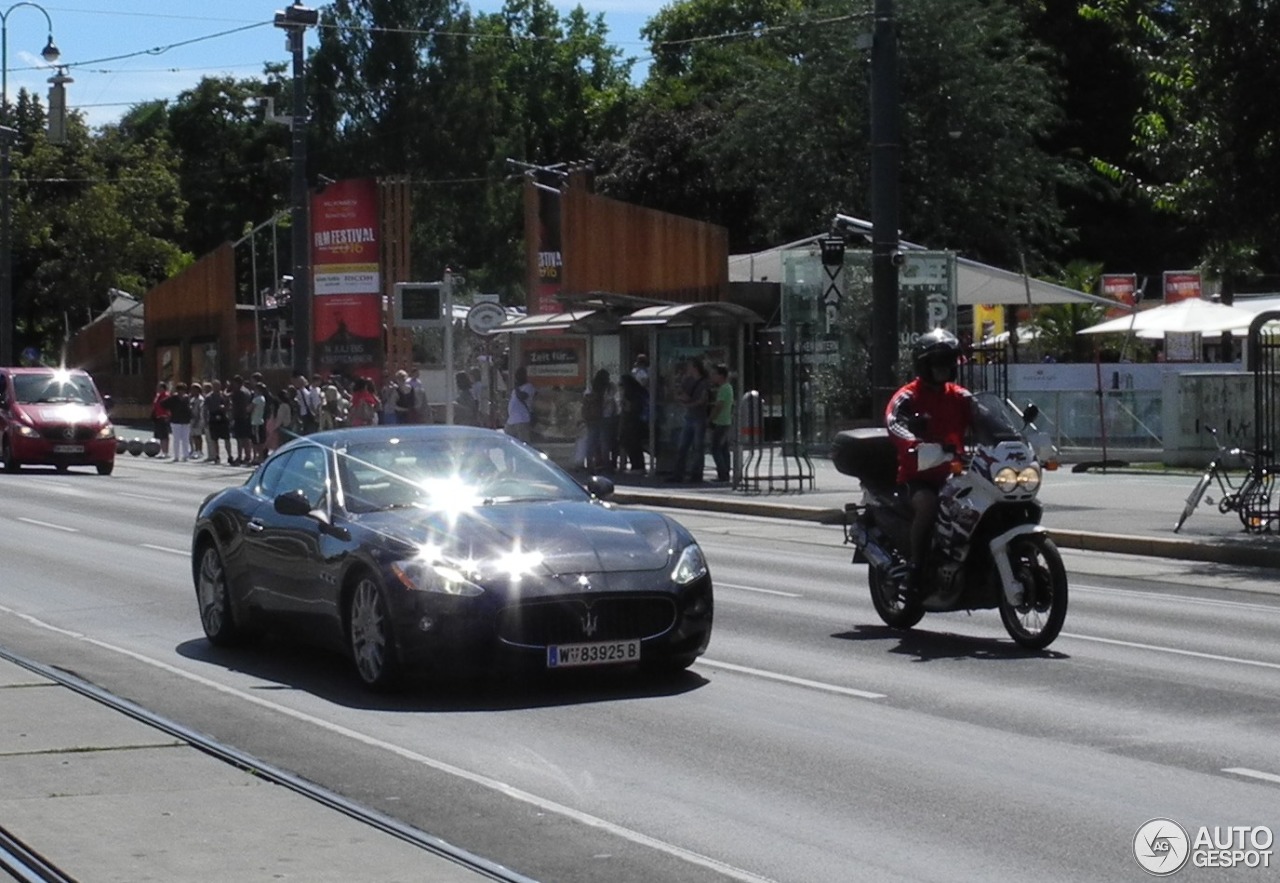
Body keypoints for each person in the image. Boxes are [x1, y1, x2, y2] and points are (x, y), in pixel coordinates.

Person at [885, 328, 974, 600]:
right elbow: (893, 421)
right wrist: (914, 443)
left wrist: (1013, 436)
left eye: (948, 362)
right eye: (938, 362)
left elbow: (987, 418)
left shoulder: (960, 396)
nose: (944, 368)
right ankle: (916, 568)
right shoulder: (908, 395)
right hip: (919, 475)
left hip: (955, 473)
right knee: (928, 505)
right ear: (924, 364)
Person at [669, 358, 710, 482]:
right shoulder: (688, 381)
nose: (687, 369)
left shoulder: (704, 382)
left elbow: (703, 399)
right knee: (682, 446)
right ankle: (678, 474)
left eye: (689, 366)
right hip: (689, 417)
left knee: (698, 447)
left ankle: (696, 474)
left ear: (695, 367)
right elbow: (681, 395)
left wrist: (688, 404)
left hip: (699, 417)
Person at [708, 363, 734, 482]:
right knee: (724, 449)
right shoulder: (728, 387)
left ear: (721, 376)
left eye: (715, 374)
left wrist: (710, 418)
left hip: (720, 422)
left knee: (716, 449)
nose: (712, 377)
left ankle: (722, 473)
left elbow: (719, 406)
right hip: (726, 421)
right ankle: (726, 472)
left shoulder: (724, 388)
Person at [617, 373, 648, 472]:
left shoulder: (632, 394)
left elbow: (631, 408)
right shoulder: (636, 392)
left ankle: (637, 465)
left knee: (633, 444)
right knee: (631, 444)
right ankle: (637, 465)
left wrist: (624, 403)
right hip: (631, 422)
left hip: (632, 422)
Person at [162, 382, 192, 462]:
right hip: (175, 420)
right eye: (179, 390)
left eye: (183, 390)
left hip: (186, 421)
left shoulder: (187, 398)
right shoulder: (173, 398)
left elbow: (190, 409)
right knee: (176, 439)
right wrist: (168, 412)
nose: (181, 392)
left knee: (185, 439)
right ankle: (176, 456)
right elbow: (163, 404)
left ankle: (185, 455)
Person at [505, 366, 535, 443]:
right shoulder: (515, 390)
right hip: (511, 420)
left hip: (522, 419)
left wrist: (517, 387)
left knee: (523, 443)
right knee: (508, 442)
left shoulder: (528, 387)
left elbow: (522, 397)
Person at [151, 382, 172, 458]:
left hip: (164, 417)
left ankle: (166, 452)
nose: (157, 389)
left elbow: (169, 407)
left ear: (163, 388)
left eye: (159, 387)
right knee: (160, 435)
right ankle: (162, 451)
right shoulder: (158, 395)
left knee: (164, 436)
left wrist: (168, 416)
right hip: (158, 417)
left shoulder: (166, 395)